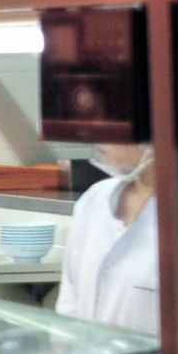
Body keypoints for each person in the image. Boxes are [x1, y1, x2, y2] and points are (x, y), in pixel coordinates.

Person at [59, 142, 158, 333]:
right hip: (87, 350)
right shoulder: (95, 198)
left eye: (117, 128)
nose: (100, 139)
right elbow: (69, 301)